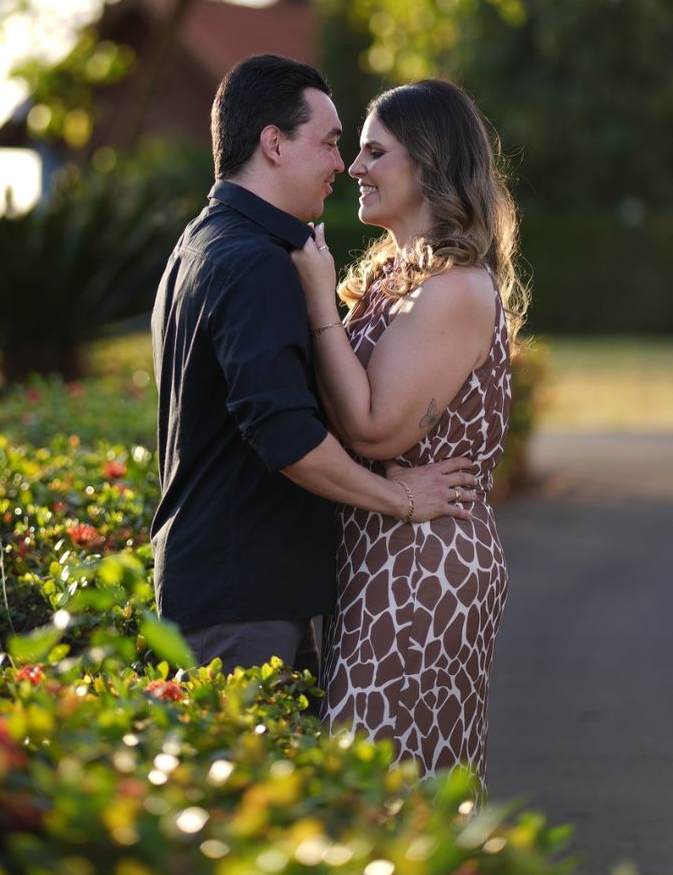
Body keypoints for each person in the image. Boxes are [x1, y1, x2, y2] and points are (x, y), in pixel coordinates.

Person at [151, 55, 477, 678]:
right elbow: (285, 434)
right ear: (274, 144)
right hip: (244, 596)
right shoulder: (256, 261)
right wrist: (400, 497)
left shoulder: (202, 241)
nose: (340, 164)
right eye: (329, 143)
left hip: (232, 586)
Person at [291, 77, 526, 784]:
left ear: (426, 163)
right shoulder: (393, 277)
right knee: (377, 780)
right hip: (382, 548)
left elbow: (373, 430)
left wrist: (317, 301)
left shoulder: (455, 289)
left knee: (379, 781)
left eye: (374, 152)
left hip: (426, 561)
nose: (354, 168)